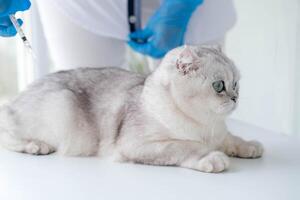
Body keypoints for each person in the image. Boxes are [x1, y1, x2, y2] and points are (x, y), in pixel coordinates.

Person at [0, 0, 236, 73]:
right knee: (86, 110)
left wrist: (180, 6)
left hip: (188, 8)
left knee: (198, 115)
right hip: (80, 6)